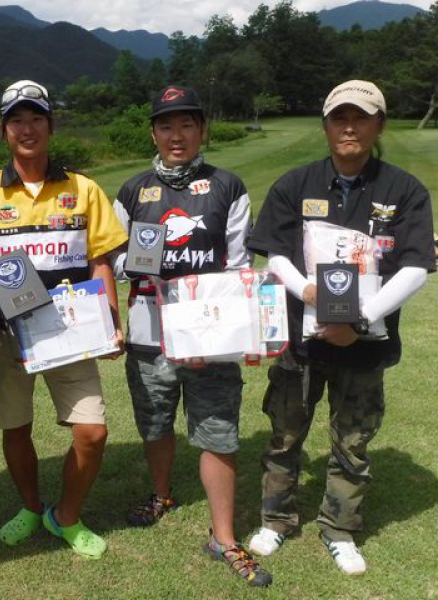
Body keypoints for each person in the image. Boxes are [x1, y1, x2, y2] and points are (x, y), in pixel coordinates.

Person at [246, 80, 435, 574]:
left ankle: (340, 527)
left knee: (352, 440)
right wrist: (306, 292)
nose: (349, 126)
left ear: (379, 124)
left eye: (362, 117)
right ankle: (276, 519)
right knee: (285, 434)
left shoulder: (404, 190)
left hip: (364, 345)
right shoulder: (295, 184)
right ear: (326, 124)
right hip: (300, 339)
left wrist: (358, 321)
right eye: (339, 117)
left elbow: (415, 266)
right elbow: (277, 253)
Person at [111, 85, 271, 587]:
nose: (175, 135)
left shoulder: (228, 185)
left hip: (211, 329)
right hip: (148, 330)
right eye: (165, 126)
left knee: (217, 428)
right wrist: (141, 262)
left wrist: (212, 333)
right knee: (155, 420)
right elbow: (114, 258)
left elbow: (240, 263)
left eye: (186, 125)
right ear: (153, 133)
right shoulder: (133, 191)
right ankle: (163, 493)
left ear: (202, 129)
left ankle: (224, 537)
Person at [0, 80, 127, 560]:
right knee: (16, 428)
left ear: (50, 126)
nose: (27, 128)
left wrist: (111, 322)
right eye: (17, 119)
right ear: (4, 130)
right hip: (10, 337)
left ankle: (66, 515)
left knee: (92, 432)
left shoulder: (85, 189)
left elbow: (100, 259)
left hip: (73, 333)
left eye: (36, 118)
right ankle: (33, 507)